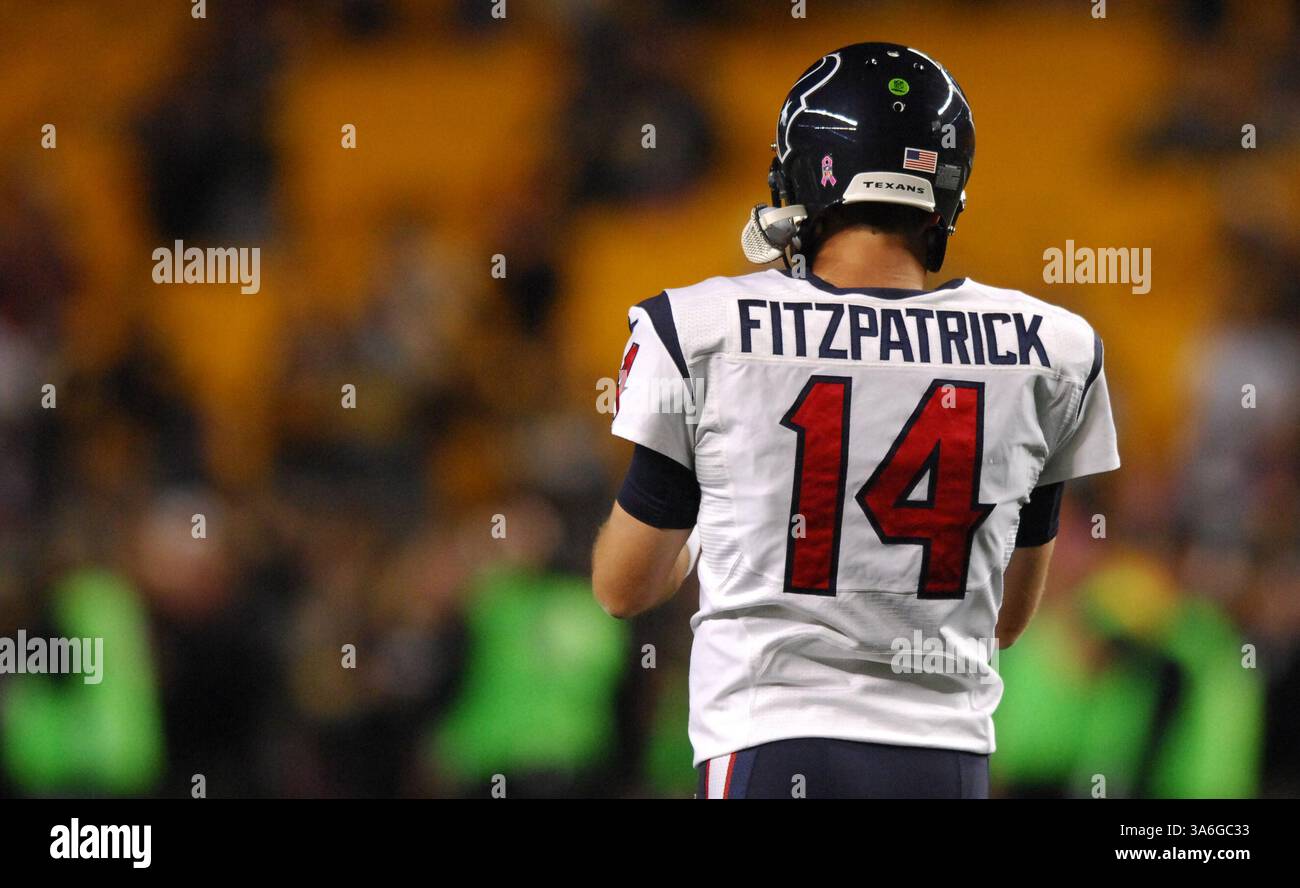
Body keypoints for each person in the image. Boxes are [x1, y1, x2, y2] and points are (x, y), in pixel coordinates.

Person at [591, 42, 1119, 799]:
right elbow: (1006, 616)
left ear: (806, 172)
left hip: (773, 743)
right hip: (946, 759)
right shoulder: (1050, 350)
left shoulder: (704, 328)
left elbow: (625, 586)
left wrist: (715, 521)